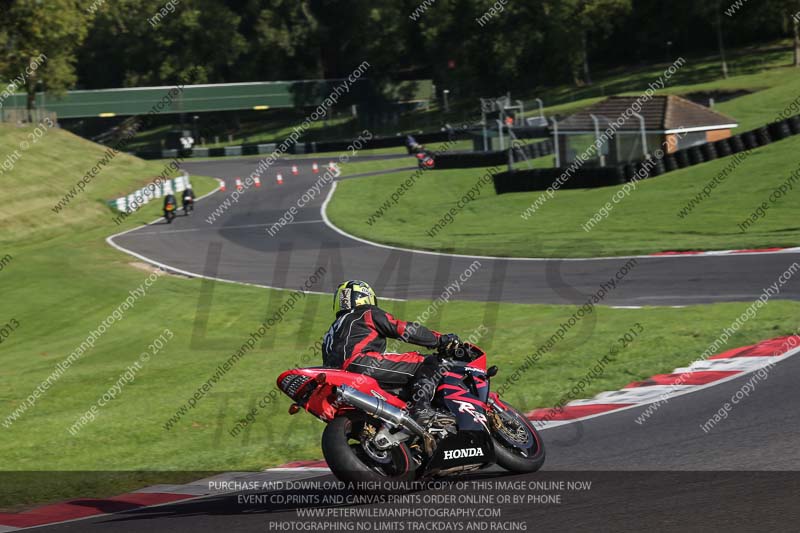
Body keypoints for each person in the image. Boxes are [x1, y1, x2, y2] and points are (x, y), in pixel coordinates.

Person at [322, 280, 461, 425]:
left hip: (339, 376)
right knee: (428, 362)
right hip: (361, 363)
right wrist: (440, 339)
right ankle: (421, 409)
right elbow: (402, 329)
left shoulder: (331, 330)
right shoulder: (367, 312)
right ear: (364, 296)